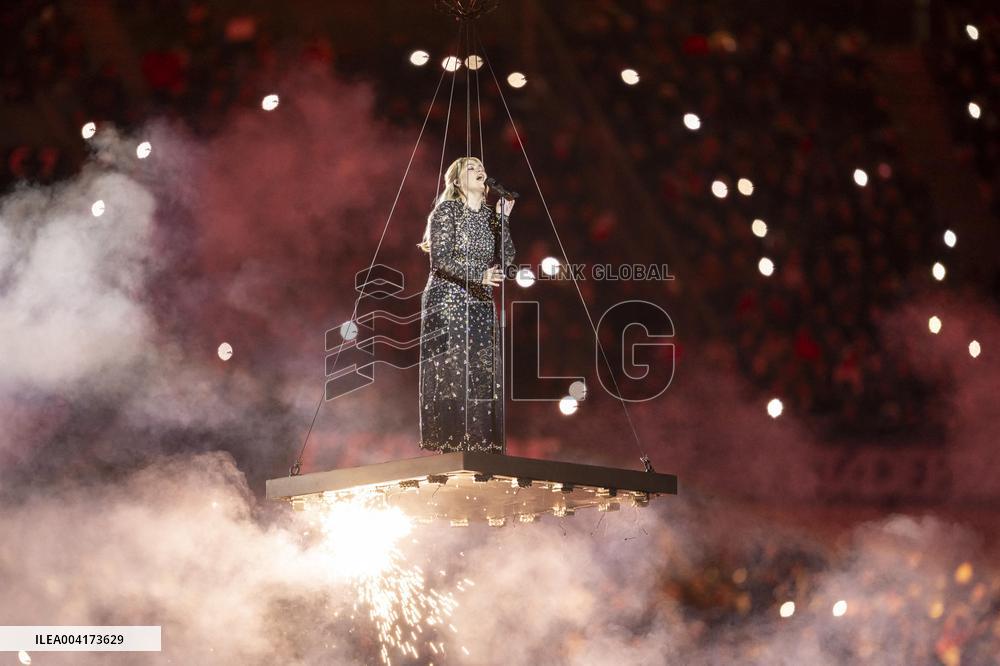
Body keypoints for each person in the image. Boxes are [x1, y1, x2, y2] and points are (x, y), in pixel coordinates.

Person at [416, 156, 515, 453]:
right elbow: (441, 261)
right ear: (457, 181)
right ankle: (452, 444)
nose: (479, 169)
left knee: (482, 369)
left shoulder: (488, 215)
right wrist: (478, 275)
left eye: (481, 166)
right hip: (448, 299)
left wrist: (502, 220)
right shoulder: (446, 211)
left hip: (481, 301)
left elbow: (507, 258)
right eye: (470, 167)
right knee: (453, 370)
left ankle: (481, 444)